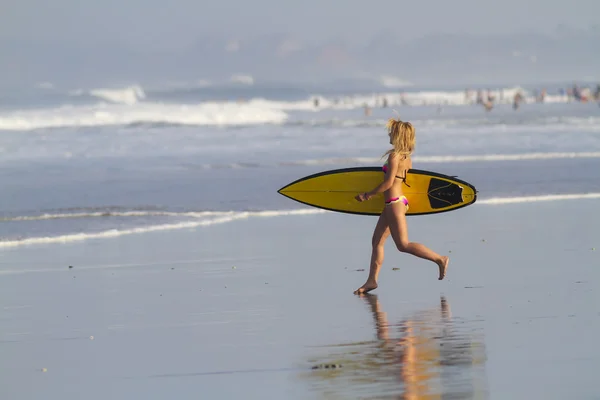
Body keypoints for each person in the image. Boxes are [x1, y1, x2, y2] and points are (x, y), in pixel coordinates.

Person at [353, 118, 449, 294]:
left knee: (403, 244)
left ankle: (439, 259)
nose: (389, 134)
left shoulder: (394, 156)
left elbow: (389, 183)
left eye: (391, 131)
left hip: (394, 203)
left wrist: (368, 195)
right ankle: (371, 281)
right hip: (397, 202)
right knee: (377, 242)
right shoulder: (406, 157)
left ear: (397, 135)